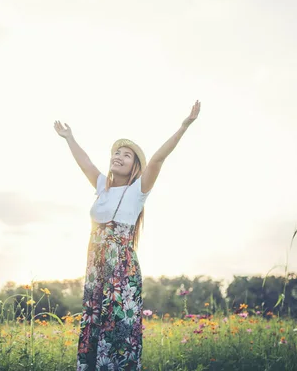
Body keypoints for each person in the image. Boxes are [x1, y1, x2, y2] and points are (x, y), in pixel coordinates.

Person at [53, 100, 201, 370]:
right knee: (95, 322)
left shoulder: (138, 191)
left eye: (126, 154)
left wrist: (184, 126)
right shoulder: (102, 187)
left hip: (121, 269)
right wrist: (69, 138)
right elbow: (84, 162)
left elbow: (157, 159)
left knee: (119, 324)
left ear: (135, 167)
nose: (118, 156)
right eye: (116, 152)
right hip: (97, 270)